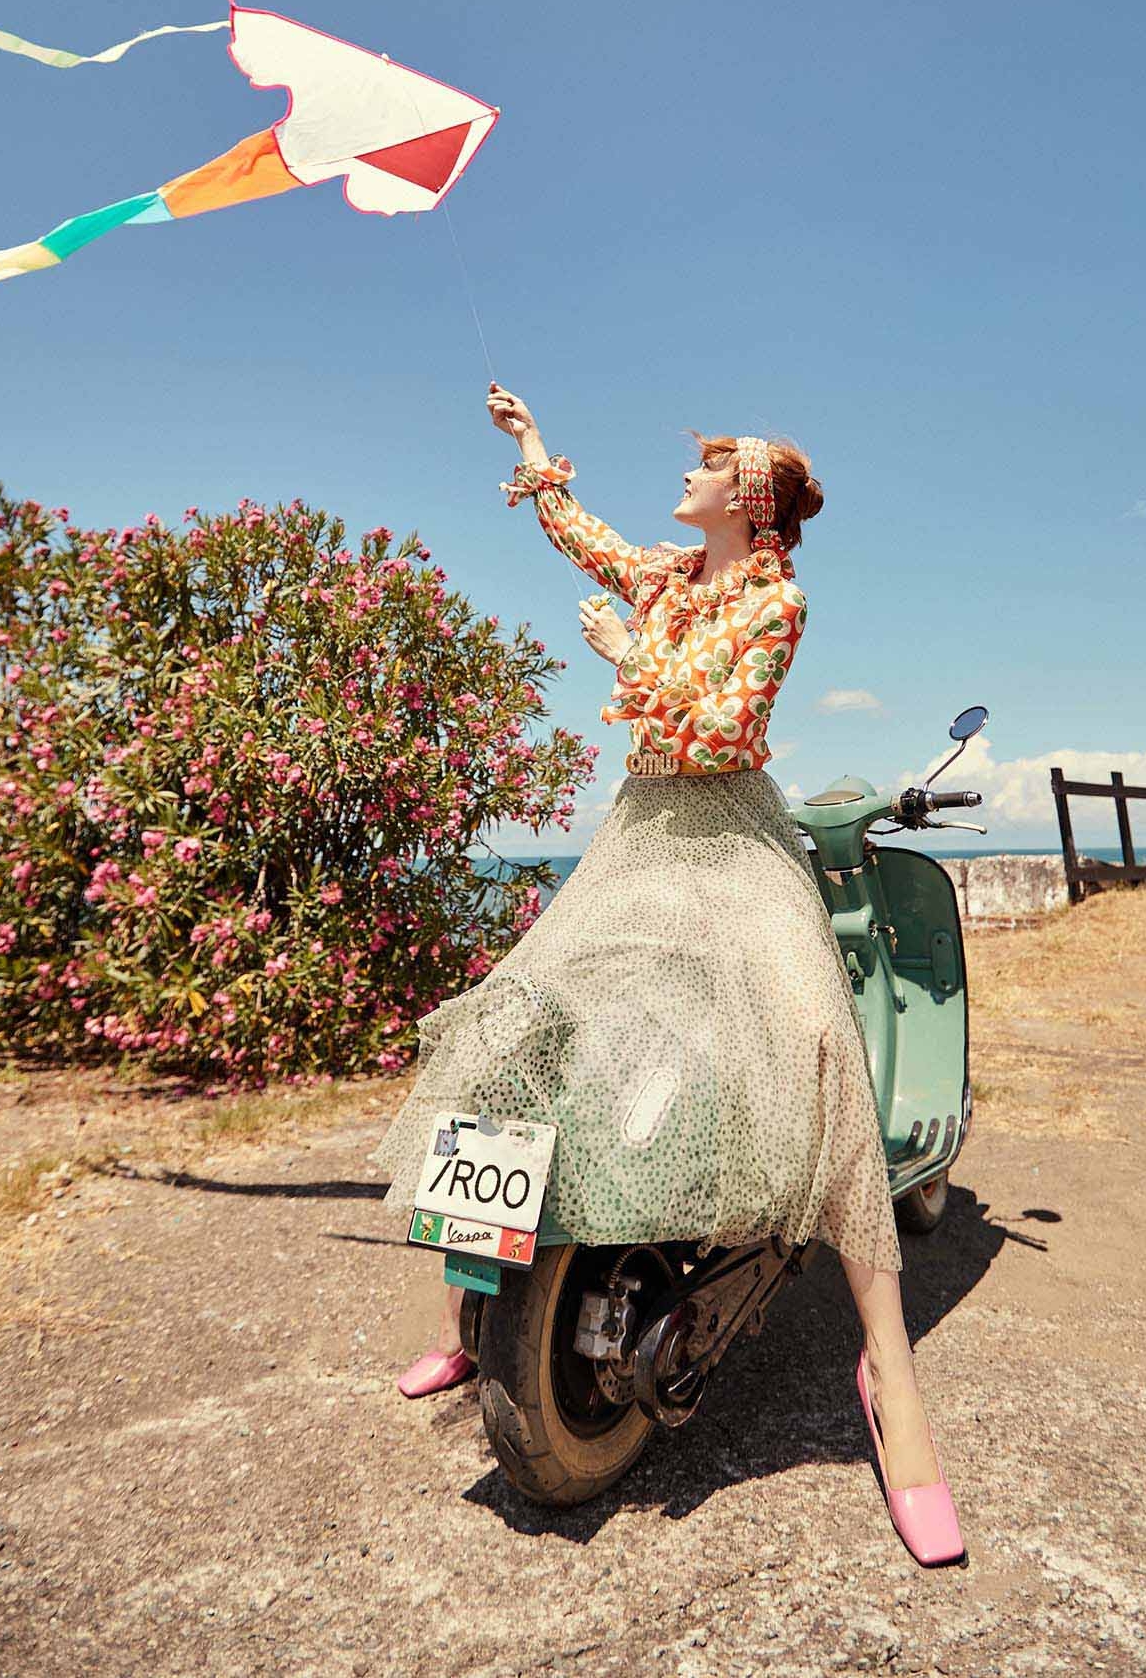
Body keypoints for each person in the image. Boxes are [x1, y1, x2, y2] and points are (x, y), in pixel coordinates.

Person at [368, 386, 964, 1563]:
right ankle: (469, 1311)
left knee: (816, 1045)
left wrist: (631, 654)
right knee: (525, 1026)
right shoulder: (668, 578)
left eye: (707, 470)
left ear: (748, 505)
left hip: (731, 841)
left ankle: (891, 1387)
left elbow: (722, 737)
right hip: (638, 842)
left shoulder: (776, 602)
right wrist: (531, 447)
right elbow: (576, 534)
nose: (685, 479)